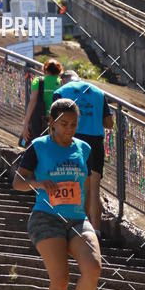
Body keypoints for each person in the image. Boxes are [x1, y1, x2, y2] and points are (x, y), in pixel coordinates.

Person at [12, 98, 101, 290]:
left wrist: (90, 218)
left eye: (73, 124)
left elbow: (86, 186)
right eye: (63, 124)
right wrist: (39, 183)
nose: (69, 129)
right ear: (51, 123)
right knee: (61, 278)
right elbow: (18, 182)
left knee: (93, 267)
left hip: (76, 218)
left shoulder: (84, 148)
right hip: (46, 217)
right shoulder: (39, 146)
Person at [53, 71, 113, 235]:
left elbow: (55, 121)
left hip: (74, 140)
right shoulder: (98, 92)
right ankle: (96, 231)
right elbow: (109, 123)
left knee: (73, 184)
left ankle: (75, 227)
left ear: (64, 80)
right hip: (96, 142)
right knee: (94, 189)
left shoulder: (62, 92)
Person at [20, 59, 63, 145]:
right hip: (56, 120)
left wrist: (26, 124)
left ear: (45, 70)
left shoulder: (38, 81)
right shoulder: (61, 83)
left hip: (39, 121)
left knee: (38, 144)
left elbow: (32, 102)